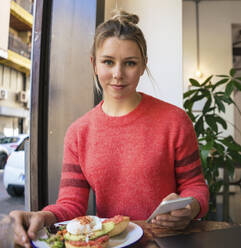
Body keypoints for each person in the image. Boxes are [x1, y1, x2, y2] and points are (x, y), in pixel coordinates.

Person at [11, 10, 209, 247]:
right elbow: (71, 204)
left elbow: (195, 186)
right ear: (94, 64)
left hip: (168, 242)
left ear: (143, 65)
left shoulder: (175, 120)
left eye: (130, 63)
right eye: (108, 62)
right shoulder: (78, 132)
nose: (118, 74)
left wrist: (190, 205)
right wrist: (42, 216)